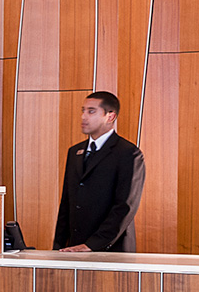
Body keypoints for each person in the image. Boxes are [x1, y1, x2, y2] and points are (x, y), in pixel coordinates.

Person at [51, 90, 144, 253]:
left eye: (91, 111)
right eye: (83, 111)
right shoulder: (74, 152)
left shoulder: (129, 154)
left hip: (111, 250)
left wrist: (91, 245)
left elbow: (125, 206)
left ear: (110, 117)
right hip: (73, 249)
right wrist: (58, 246)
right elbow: (67, 203)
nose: (83, 116)